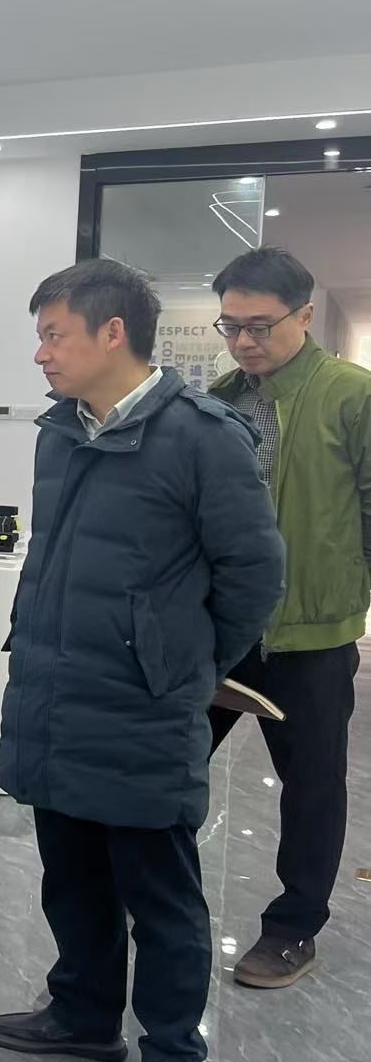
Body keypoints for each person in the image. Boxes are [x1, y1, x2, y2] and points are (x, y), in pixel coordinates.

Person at [0, 260, 284, 1062]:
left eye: (54, 334)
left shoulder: (202, 436)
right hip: (57, 690)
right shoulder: (59, 431)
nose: (41, 353)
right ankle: (82, 1010)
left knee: (160, 892)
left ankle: (172, 1050)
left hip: (144, 707)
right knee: (71, 872)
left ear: (113, 332)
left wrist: (183, 664)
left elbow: (255, 575)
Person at [206, 247, 371, 989]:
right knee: (169, 761)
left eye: (260, 326)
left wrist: (345, 590)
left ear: (304, 316)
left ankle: (292, 927)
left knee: (311, 786)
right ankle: (153, 896)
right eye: (231, 325)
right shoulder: (218, 399)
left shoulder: (351, 396)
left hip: (310, 633)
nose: (244, 342)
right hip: (221, 629)